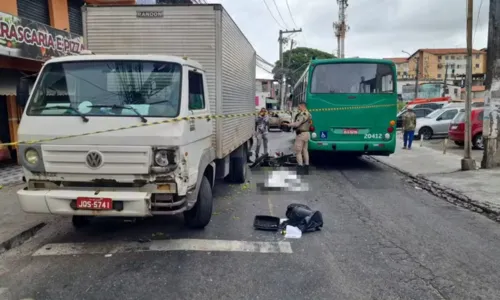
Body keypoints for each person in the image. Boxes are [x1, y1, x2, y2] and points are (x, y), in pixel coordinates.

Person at [285, 102, 311, 174]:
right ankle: (306, 167)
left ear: (302, 106)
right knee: (305, 150)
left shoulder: (303, 114)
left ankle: (300, 168)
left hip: (301, 134)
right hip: (307, 133)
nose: (298, 108)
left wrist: (288, 125)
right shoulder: (309, 114)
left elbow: (297, 124)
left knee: (298, 152)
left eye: (299, 106)